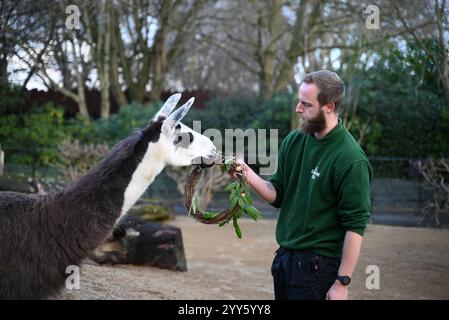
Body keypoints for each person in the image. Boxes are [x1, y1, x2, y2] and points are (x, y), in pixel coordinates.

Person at [229, 70, 372, 300]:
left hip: (318, 268)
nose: (298, 108)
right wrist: (246, 173)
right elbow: (278, 194)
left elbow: (355, 226)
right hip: (285, 260)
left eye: (306, 104)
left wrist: (342, 283)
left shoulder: (350, 159)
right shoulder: (294, 141)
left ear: (330, 106)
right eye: (299, 101)